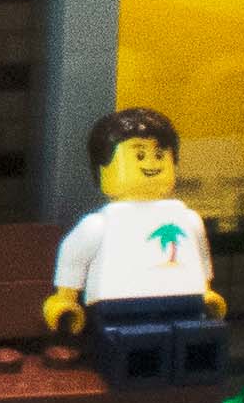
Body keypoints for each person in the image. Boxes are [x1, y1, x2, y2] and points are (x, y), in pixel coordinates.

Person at [43, 104, 218, 370]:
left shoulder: (187, 219)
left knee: (195, 349)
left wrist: (206, 292)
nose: (151, 163)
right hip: (119, 311)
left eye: (159, 154)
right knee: (131, 351)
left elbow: (199, 257)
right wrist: (65, 299)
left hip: (186, 303)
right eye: (139, 155)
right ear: (102, 169)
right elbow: (73, 258)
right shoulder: (99, 225)